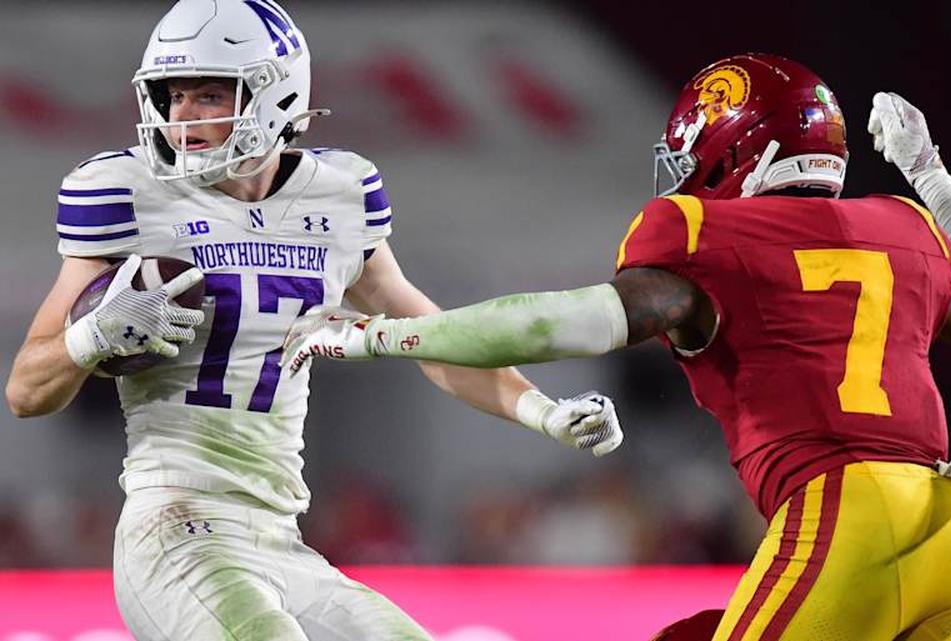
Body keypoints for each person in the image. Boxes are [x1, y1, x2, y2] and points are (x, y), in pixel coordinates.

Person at [285, 53, 951, 640]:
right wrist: (931, 174)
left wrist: (371, 335)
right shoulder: (903, 227)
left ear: (734, 150)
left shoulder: (709, 235)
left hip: (850, 513)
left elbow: (552, 323)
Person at [4, 1, 621, 640]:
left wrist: (541, 412)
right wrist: (92, 336)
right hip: (177, 527)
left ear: (277, 95)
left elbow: (434, 341)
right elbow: (25, 390)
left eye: (209, 94)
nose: (181, 117)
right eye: (172, 95)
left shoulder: (340, 194)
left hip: (279, 538)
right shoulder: (124, 191)